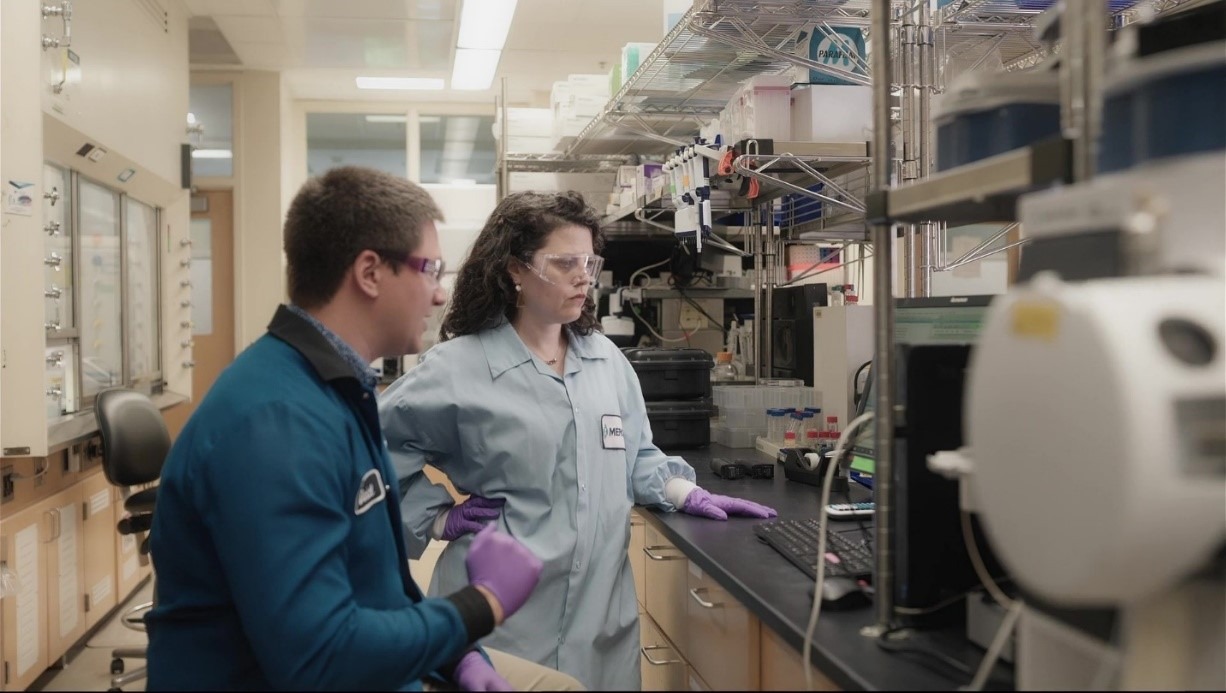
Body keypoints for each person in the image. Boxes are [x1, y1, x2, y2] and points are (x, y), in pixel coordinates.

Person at [146, 167, 583, 691]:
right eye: (431, 269)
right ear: (370, 272)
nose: (441, 295)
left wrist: (457, 654)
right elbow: (320, 659)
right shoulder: (277, 423)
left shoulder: (334, 389)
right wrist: (481, 604)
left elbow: (378, 586)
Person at [379, 190, 777, 690]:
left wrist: (683, 492)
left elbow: (635, 454)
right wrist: (436, 517)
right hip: (502, 628)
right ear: (515, 270)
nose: (584, 276)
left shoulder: (607, 360)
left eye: (589, 261)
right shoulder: (459, 366)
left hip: (600, 625)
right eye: (565, 262)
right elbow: (371, 454)